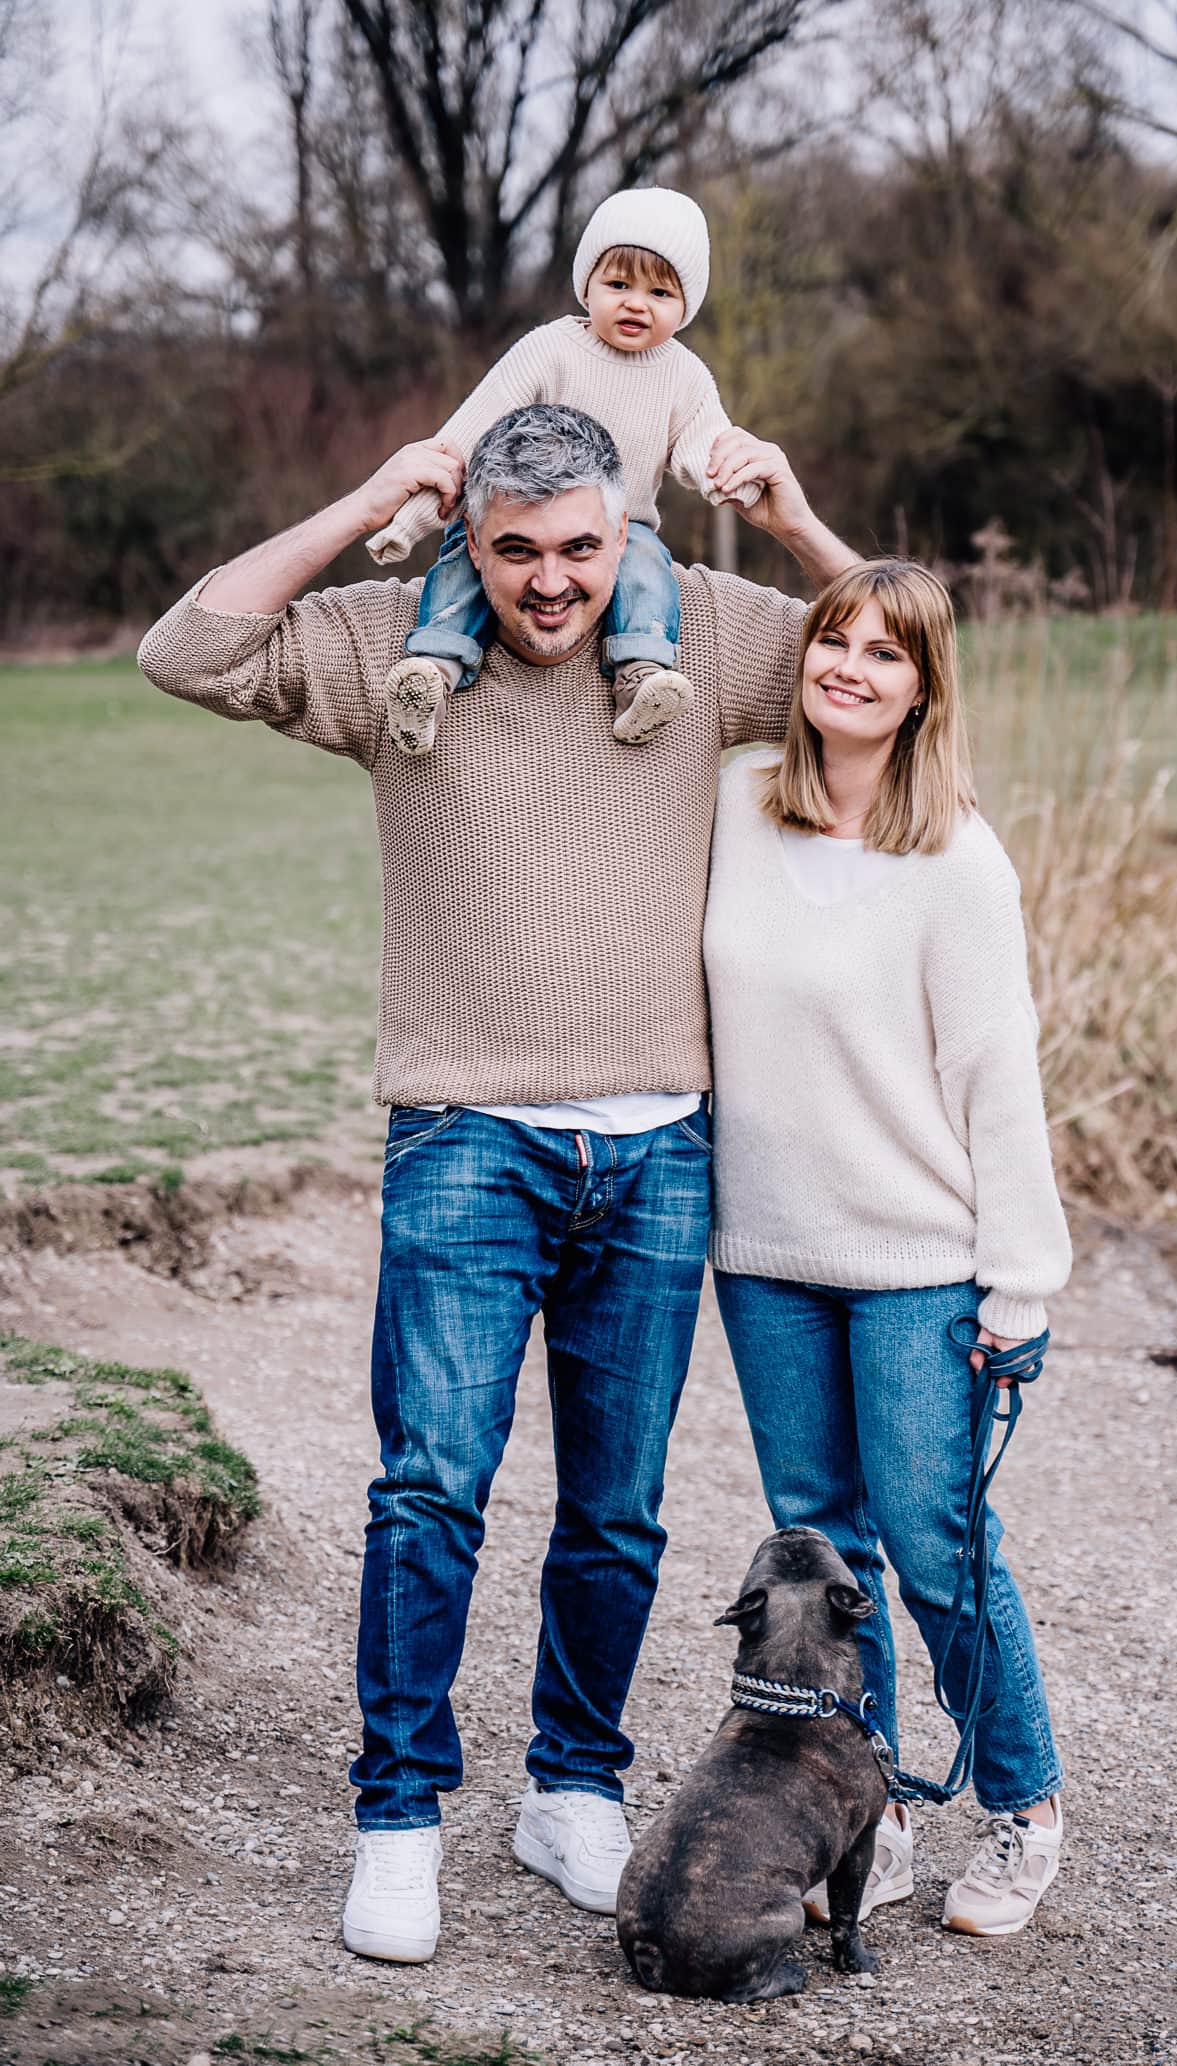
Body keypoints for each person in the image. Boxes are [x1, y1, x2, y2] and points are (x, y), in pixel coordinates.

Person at [136, 402, 857, 1965]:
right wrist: (372, 497)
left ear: (630, 536)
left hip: (661, 1141)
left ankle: (570, 1790)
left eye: (584, 549)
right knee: (431, 1485)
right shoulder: (394, 643)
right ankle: (396, 1815)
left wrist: (797, 521)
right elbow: (183, 651)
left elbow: (903, 668)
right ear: (471, 536)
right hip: (467, 1133)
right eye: (516, 549)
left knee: (616, 1508)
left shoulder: (703, 636)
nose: (551, 583)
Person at [703, 559, 1073, 1940]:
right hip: (767, 1253)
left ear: (925, 690)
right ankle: (876, 1812)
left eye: (886, 653)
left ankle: (1026, 1808)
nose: (850, 666)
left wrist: (1019, 1278)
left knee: (937, 1546)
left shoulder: (958, 861)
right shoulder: (738, 805)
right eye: (832, 641)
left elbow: (996, 1075)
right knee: (822, 1556)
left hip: (918, 1259)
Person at [365, 185, 761, 759]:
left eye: (660, 292)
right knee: (463, 563)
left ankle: (640, 675)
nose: (636, 304)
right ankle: (432, 672)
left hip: (622, 529)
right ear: (587, 285)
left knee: (649, 570)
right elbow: (465, 437)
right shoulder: (549, 350)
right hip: (517, 516)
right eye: (618, 284)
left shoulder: (685, 376)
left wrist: (737, 478)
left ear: (686, 305)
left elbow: (709, 446)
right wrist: (410, 519)